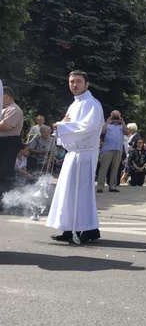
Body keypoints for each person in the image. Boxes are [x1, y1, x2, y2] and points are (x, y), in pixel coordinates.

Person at [46, 70, 105, 244]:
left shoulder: (92, 104)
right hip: (73, 153)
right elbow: (69, 125)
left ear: (87, 84)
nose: (74, 84)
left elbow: (88, 127)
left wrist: (62, 126)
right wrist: (63, 126)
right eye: (71, 81)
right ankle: (67, 227)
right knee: (67, 192)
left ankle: (86, 229)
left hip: (85, 154)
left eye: (78, 81)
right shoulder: (74, 104)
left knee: (82, 192)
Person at [0, 87, 25, 209]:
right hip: (3, 142)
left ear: (6, 96)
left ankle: (4, 202)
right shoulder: (4, 109)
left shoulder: (13, 109)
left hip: (8, 143)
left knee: (4, 172)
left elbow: (6, 126)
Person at [96, 110, 127, 193]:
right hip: (107, 149)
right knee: (104, 168)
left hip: (118, 149)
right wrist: (107, 122)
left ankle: (112, 186)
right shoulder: (108, 125)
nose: (116, 119)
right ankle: (100, 187)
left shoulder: (121, 126)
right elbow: (102, 132)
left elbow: (127, 132)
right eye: (114, 116)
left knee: (115, 169)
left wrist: (122, 122)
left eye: (117, 117)